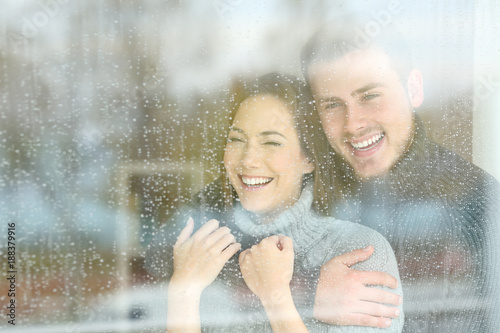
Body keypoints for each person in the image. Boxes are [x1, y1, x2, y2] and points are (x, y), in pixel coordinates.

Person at [145, 73, 404, 332]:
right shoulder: (201, 252)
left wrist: (277, 298)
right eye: (236, 139)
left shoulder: (356, 251)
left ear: (308, 158)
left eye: (271, 142)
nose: (248, 160)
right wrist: (183, 293)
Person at [300, 13, 500, 333]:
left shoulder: (476, 205)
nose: (353, 124)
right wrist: (310, 296)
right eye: (332, 105)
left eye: (370, 96)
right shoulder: (301, 190)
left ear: (414, 89)